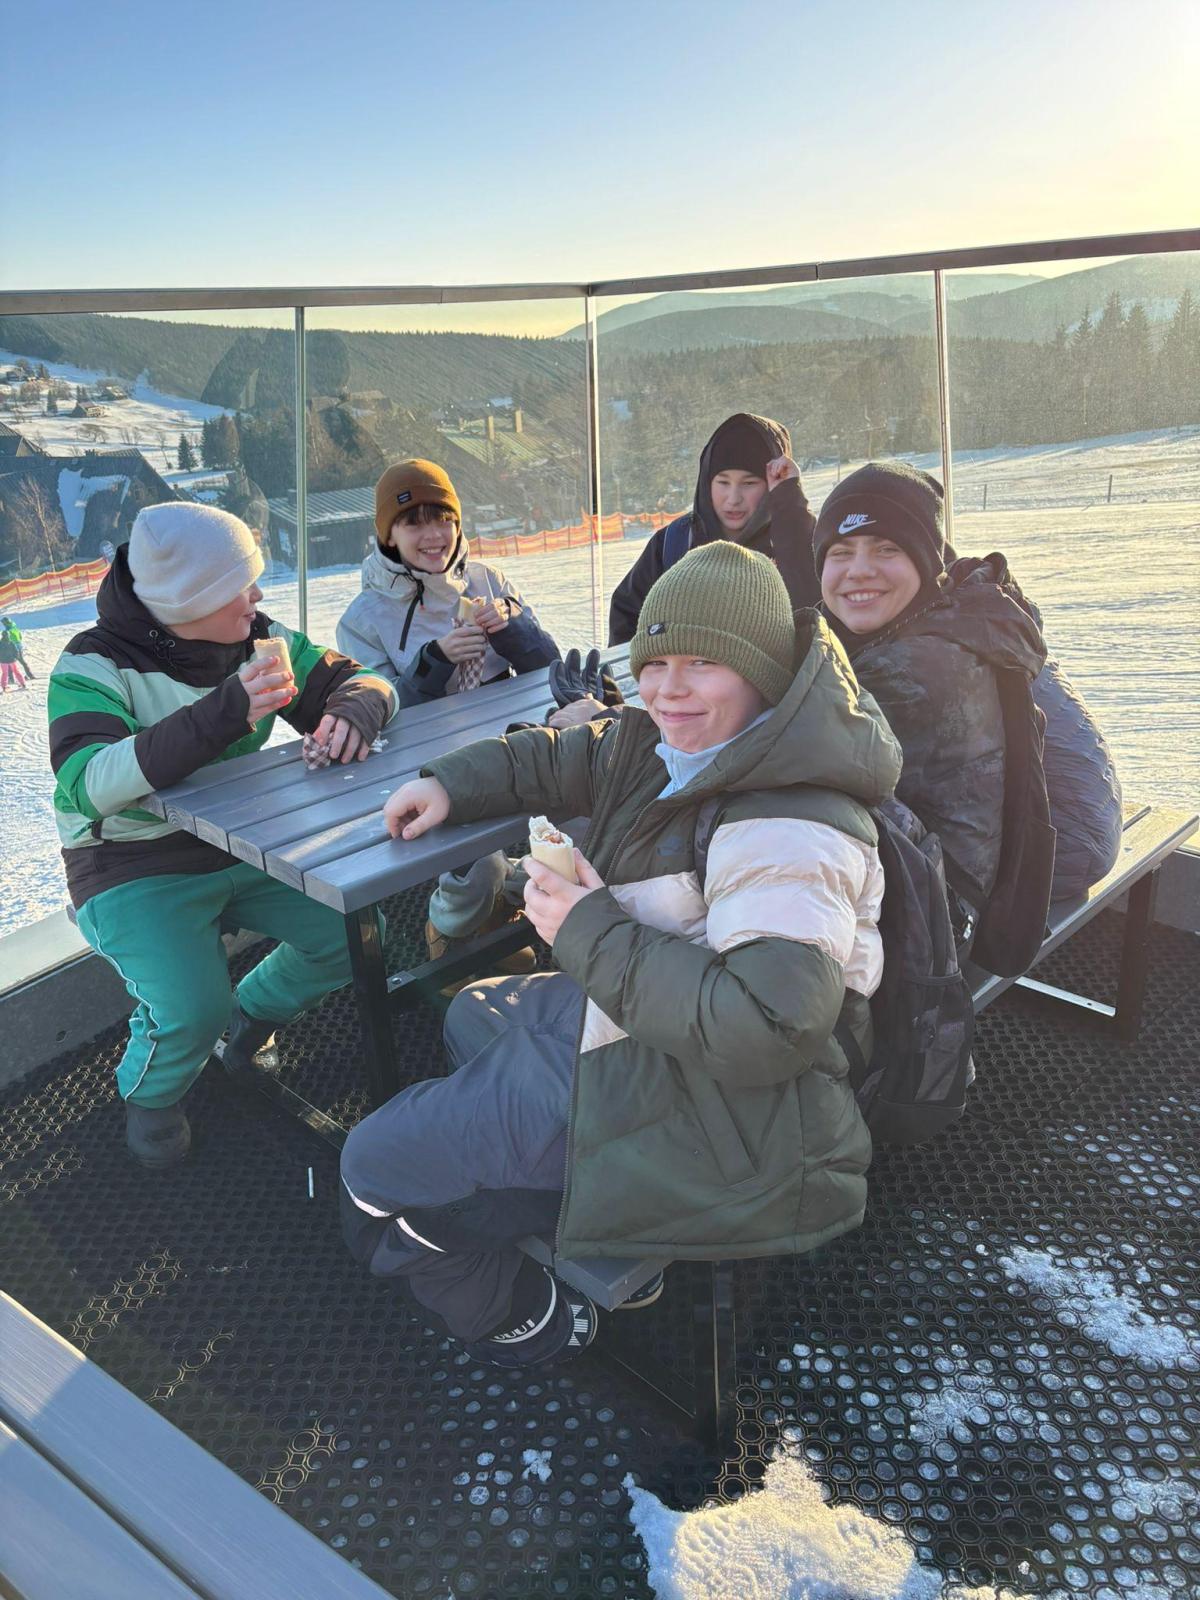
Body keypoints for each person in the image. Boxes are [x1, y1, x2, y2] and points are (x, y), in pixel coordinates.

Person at [339, 541, 902, 1369]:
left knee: (370, 1171)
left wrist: (586, 928)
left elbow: (769, 1029)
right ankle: (590, 1214)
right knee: (472, 1015)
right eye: (655, 662)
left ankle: (524, 1314)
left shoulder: (787, 823)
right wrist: (448, 782)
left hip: (731, 1110)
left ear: (765, 673)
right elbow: (560, 755)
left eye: (704, 663)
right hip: (653, 1035)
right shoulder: (669, 750)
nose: (668, 688)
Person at [48, 502, 397, 1168]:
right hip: (127, 862)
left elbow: (362, 677)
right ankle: (152, 1095)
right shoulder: (91, 664)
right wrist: (225, 711)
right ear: (190, 600)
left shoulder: (257, 637)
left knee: (350, 936)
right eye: (241, 584)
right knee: (190, 1006)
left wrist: (356, 710)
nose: (258, 596)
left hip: (240, 841)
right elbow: (88, 782)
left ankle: (251, 1011)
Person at [813, 460, 1123, 905]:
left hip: (1044, 856)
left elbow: (800, 755)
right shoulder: (967, 604)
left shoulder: (916, 667)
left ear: (926, 561)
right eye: (841, 553)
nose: (859, 569)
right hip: (1067, 819)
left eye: (887, 549)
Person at [336, 459, 560, 707]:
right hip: (430, 733)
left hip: (514, 725)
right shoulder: (361, 621)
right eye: (414, 524)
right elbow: (379, 710)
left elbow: (550, 669)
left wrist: (514, 624)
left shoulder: (489, 581)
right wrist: (434, 660)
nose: (433, 535)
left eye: (443, 519)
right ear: (389, 535)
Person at [607, 412, 816, 648]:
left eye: (749, 483)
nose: (733, 498)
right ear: (707, 482)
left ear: (771, 483)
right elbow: (626, 618)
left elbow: (815, 611)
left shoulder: (795, 538)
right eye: (723, 482)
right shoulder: (674, 543)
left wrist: (788, 502)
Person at [0, 625, 26, 690]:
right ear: (8, 635)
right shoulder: (11, 642)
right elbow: (16, 651)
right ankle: (22, 683)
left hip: (3, 661)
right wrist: (16, 657)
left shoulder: (0, 643)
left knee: (5, 673)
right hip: (11, 660)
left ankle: (4, 686)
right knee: (16, 671)